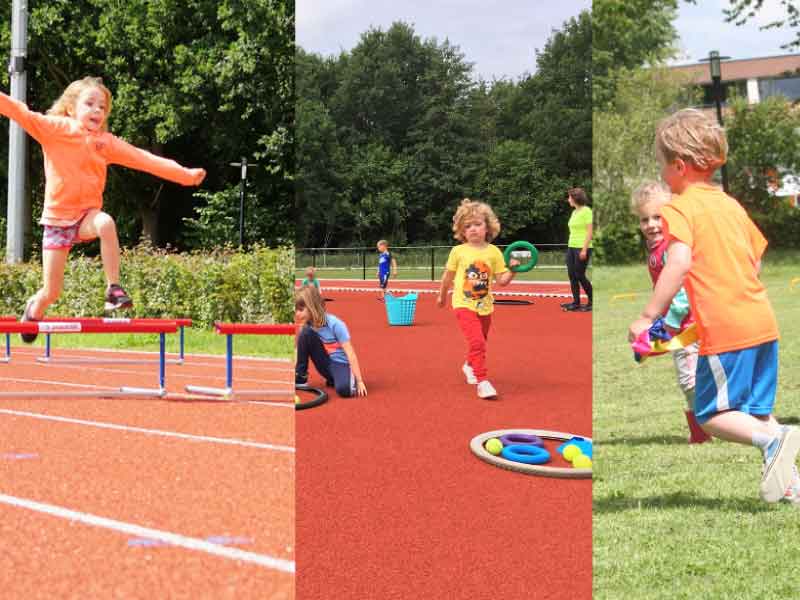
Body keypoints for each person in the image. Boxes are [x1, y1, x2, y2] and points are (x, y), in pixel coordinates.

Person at [628, 108, 799, 504]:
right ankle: (791, 484)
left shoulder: (679, 208)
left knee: (711, 415)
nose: (662, 175)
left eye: (662, 165)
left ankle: (775, 440)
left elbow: (678, 261)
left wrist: (648, 316)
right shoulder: (730, 204)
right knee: (755, 411)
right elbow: (755, 261)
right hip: (762, 320)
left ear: (679, 166)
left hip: (726, 328)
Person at [0, 76, 205, 343]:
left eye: (102, 107)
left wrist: (184, 175)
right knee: (52, 291)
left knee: (106, 223)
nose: (97, 110)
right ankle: (34, 308)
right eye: (90, 104)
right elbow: (19, 112)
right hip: (58, 220)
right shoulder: (55, 129)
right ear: (71, 108)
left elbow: (143, 158)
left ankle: (113, 289)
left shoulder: (105, 142)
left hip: (87, 216)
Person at [631, 180, 710, 444]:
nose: (651, 224)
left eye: (658, 217)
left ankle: (703, 432)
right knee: (700, 375)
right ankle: (707, 426)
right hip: (684, 323)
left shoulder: (671, 248)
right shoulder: (658, 248)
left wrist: (671, 322)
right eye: (645, 219)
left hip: (687, 325)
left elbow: (683, 287)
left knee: (689, 379)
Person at [437, 198, 519, 400]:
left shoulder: (494, 252)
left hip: (485, 305)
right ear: (462, 231)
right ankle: (482, 381)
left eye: (477, 224)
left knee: (481, 341)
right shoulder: (458, 251)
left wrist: (513, 270)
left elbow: (502, 281)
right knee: (477, 342)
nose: (473, 229)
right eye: (467, 226)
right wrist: (442, 295)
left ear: (487, 226)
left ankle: (469, 365)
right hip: (463, 304)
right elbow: (447, 276)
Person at [295, 285, 367, 398]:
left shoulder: (335, 324)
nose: (297, 314)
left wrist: (360, 381)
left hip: (340, 364)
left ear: (312, 307)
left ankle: (345, 378)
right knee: (305, 333)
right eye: (296, 310)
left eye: (300, 310)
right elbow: (299, 351)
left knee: (344, 390)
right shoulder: (307, 327)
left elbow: (350, 353)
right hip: (325, 363)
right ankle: (301, 377)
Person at [562, 187, 593, 312]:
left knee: (580, 275)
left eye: (569, 197)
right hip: (572, 246)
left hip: (582, 247)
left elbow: (590, 232)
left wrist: (584, 250)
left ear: (575, 198)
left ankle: (592, 301)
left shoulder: (587, 211)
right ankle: (576, 303)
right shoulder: (574, 212)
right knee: (572, 275)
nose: (568, 199)